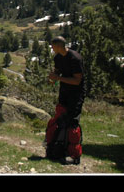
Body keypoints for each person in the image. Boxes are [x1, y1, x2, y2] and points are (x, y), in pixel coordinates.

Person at [46, 36, 86, 165]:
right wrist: (53, 77)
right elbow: (57, 71)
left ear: (58, 46)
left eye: (53, 46)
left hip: (76, 93)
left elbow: (77, 81)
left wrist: (58, 78)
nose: (52, 48)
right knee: (60, 118)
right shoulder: (58, 57)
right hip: (64, 92)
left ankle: (74, 153)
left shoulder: (75, 58)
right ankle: (60, 149)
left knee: (72, 121)